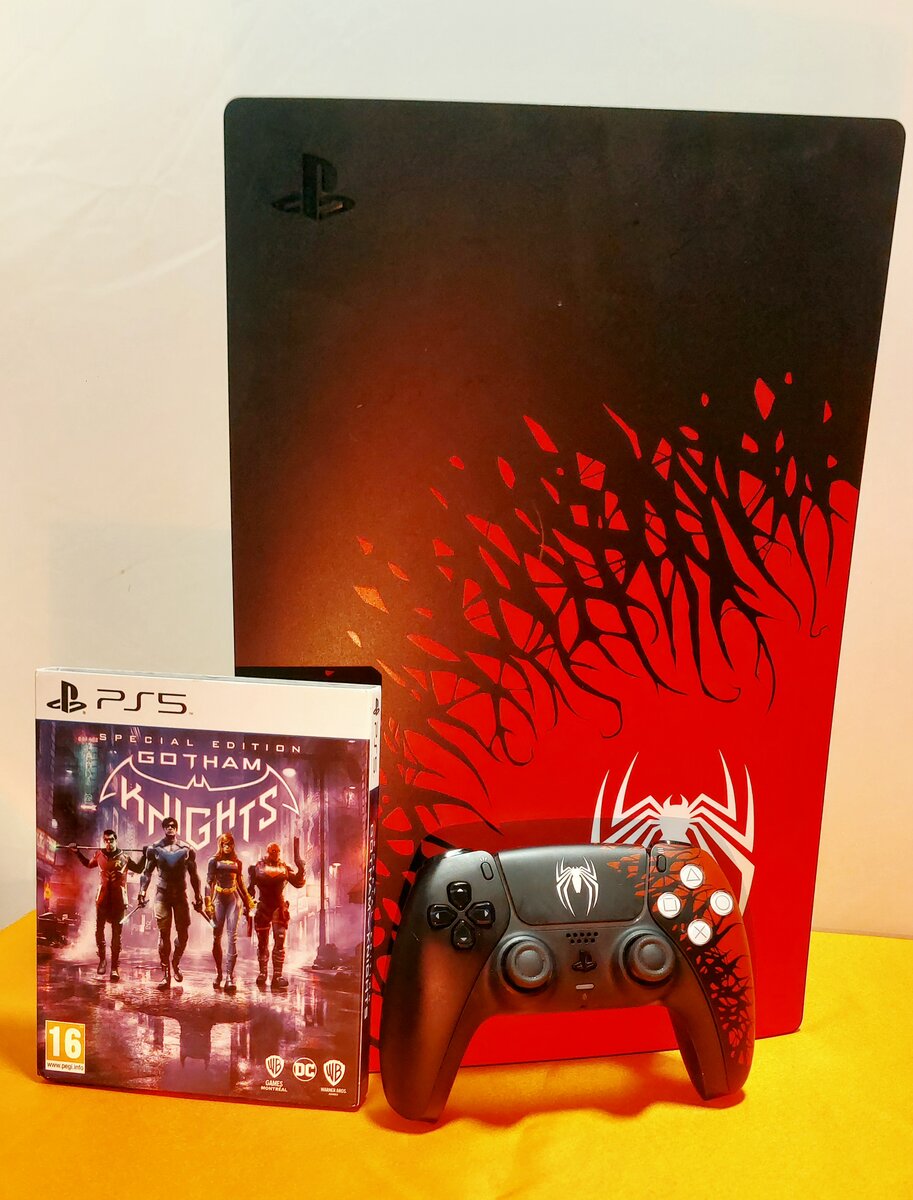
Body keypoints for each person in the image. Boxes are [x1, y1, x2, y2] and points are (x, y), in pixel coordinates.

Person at [67, 830, 144, 981]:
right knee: (99, 931)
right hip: (102, 900)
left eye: (111, 840)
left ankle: (114, 967)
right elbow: (88, 864)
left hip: (118, 901)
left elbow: (139, 869)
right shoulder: (99, 855)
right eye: (106, 840)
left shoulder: (124, 857)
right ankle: (102, 960)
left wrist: (146, 855)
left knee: (116, 935)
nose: (108, 843)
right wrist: (77, 852)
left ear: (116, 840)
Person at [138, 817, 203, 989]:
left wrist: (198, 896)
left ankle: (175, 962)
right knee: (164, 934)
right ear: (164, 829)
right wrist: (142, 892)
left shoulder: (187, 849)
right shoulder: (155, 849)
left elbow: (194, 875)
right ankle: (166, 974)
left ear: (177, 828)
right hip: (163, 894)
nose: (170, 828)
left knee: (183, 934)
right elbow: (146, 872)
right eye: (167, 826)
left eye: (173, 826)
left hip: (180, 895)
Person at [248, 839, 305, 991]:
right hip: (264, 907)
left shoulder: (284, 868)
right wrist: (249, 903)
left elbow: (298, 883)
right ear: (268, 852)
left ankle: (277, 976)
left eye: (277, 851)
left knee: (279, 942)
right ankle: (263, 973)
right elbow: (250, 889)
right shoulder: (257, 867)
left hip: (279, 908)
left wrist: (301, 867)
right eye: (272, 851)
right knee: (263, 943)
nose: (275, 853)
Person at [205, 832, 253, 993]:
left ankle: (229, 977)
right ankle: (219, 974)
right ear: (221, 845)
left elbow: (240, 883)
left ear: (232, 845)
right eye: (224, 844)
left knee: (232, 938)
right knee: (216, 937)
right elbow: (209, 883)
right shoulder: (213, 861)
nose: (227, 846)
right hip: (218, 899)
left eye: (230, 844)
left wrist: (248, 901)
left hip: (233, 899)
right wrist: (207, 903)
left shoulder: (237, 862)